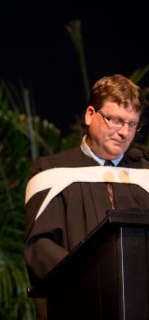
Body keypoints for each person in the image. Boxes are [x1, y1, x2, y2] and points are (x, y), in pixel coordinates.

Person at [24, 74, 149, 316]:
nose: (124, 132)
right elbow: (41, 248)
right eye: (115, 120)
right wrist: (97, 281)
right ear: (90, 114)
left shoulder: (144, 174)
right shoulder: (52, 172)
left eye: (132, 124)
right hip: (80, 306)